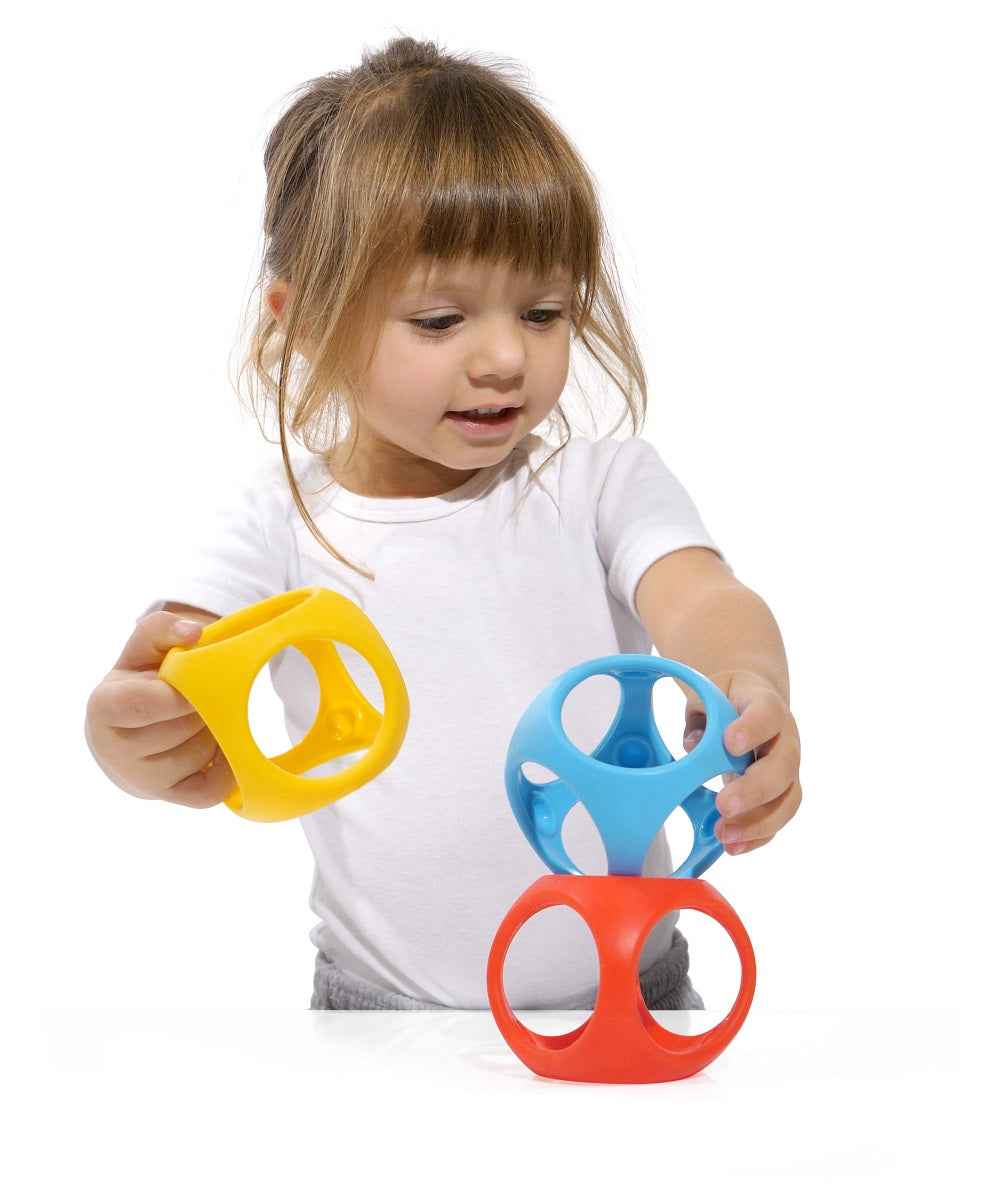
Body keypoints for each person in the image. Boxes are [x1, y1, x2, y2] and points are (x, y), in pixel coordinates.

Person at [84, 34, 802, 1011]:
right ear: (303, 321)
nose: (505, 356)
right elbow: (173, 678)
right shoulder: (277, 523)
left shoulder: (603, 486)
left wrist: (750, 682)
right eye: (438, 320)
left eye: (543, 312)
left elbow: (704, 599)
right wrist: (128, 738)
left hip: (633, 997)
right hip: (379, 1014)